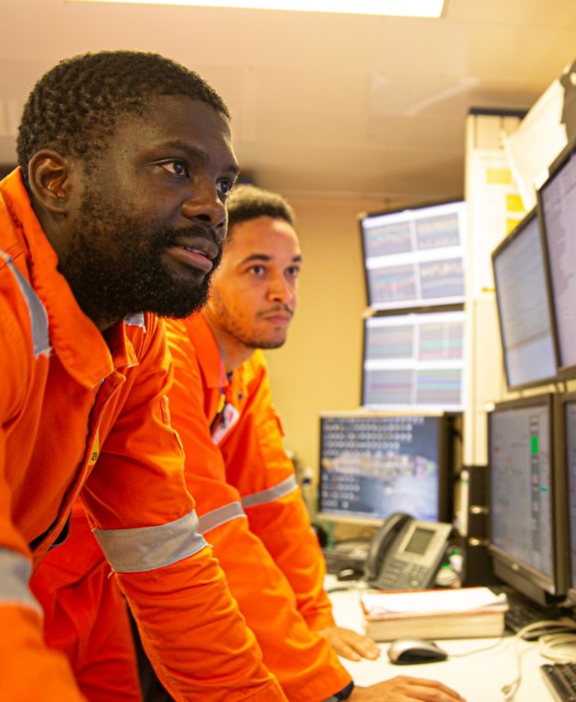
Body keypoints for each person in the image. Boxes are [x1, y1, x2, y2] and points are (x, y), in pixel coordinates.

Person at [0, 50, 284, 700]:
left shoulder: (133, 332)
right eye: (175, 168)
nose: (213, 209)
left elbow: (165, 556)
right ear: (56, 180)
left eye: (223, 185)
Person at [32, 186, 465, 702]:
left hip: (115, 590)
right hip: (53, 589)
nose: (283, 291)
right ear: (205, 273)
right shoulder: (168, 354)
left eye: (292, 270)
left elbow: (272, 505)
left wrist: (316, 622)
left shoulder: (245, 368)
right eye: (258, 270)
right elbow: (211, 528)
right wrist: (333, 691)